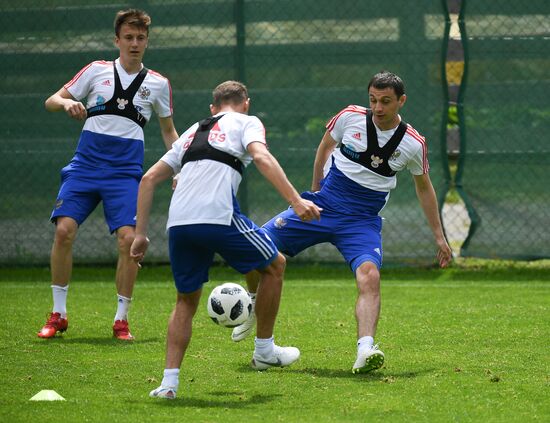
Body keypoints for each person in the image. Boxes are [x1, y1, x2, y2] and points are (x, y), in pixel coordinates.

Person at [231, 71, 453, 374]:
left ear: (402, 101)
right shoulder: (349, 117)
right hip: (322, 206)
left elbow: (424, 188)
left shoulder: (413, 143)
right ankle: (255, 302)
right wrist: (313, 193)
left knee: (369, 276)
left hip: (361, 222)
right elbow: (324, 148)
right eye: (373, 100)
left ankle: (365, 349)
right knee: (257, 247)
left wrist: (439, 238)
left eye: (386, 101)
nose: (378, 107)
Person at [130, 80, 322, 399]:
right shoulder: (247, 122)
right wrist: (296, 201)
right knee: (275, 264)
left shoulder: (192, 131)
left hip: (179, 223)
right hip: (217, 215)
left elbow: (149, 179)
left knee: (185, 301)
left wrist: (140, 235)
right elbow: (261, 158)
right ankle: (264, 351)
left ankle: (168, 383)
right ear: (245, 103)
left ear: (212, 108)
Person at [37, 9, 179, 341]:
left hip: (125, 173)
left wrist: (180, 167)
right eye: (128, 37)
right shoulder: (95, 71)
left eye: (140, 38)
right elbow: (50, 100)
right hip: (85, 167)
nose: (134, 43)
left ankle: (121, 320)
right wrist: (66, 103)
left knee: (129, 241)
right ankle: (58, 314)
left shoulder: (158, 84)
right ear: (117, 40)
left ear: (147, 41)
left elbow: (169, 132)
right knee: (64, 231)